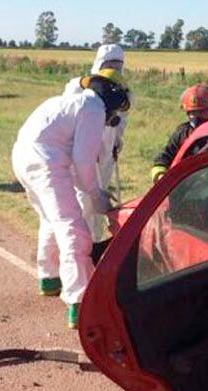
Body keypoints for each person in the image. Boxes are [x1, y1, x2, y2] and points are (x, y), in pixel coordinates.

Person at [12, 69, 130, 329]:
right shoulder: (93, 107)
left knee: (51, 219)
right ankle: (79, 302)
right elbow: (83, 162)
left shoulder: (63, 101)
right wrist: (98, 196)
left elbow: (75, 166)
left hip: (23, 158)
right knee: (72, 227)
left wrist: (93, 192)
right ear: (111, 97)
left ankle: (50, 278)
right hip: (46, 163)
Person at [62, 44, 128, 261]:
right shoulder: (79, 86)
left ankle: (96, 247)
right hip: (83, 151)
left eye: (118, 65)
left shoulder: (122, 89)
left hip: (106, 153)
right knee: (84, 201)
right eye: (110, 64)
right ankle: (80, 251)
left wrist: (118, 142)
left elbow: (121, 120)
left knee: (101, 201)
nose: (115, 69)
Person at [150, 84, 208, 183]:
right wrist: (160, 175)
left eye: (201, 112)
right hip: (186, 190)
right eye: (192, 113)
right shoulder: (182, 133)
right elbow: (165, 157)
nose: (196, 117)